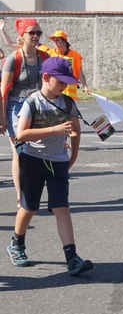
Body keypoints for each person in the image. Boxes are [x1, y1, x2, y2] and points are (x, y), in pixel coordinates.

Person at [6, 57, 93, 276]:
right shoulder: (32, 102)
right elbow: (22, 134)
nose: (65, 86)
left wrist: (73, 155)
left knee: (61, 207)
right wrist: (54, 130)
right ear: (46, 78)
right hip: (32, 159)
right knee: (29, 206)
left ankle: (72, 258)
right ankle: (17, 244)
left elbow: (75, 128)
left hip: (58, 161)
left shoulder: (67, 102)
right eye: (61, 81)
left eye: (67, 82)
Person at [0, 19, 50, 207]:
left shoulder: (44, 57)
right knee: (19, 151)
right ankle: (21, 196)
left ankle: (33, 190)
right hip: (15, 105)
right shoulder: (14, 59)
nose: (36, 36)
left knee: (37, 151)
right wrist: (2, 118)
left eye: (38, 33)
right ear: (22, 35)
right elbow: (3, 91)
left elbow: (49, 84)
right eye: (32, 33)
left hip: (36, 104)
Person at [46, 30, 91, 99]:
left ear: (64, 41)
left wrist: (85, 86)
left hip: (70, 92)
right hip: (55, 90)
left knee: (69, 109)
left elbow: (79, 72)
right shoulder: (50, 54)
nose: (55, 43)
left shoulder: (74, 55)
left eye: (57, 40)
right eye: (54, 41)